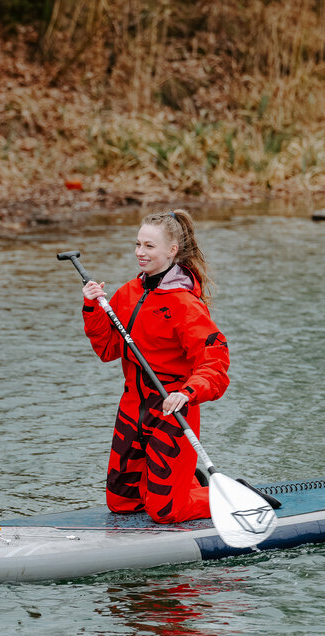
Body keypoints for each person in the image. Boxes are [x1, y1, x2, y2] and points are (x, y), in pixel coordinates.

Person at [81, 209, 230, 524]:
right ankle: (186, 482)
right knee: (122, 503)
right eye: (138, 244)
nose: (140, 253)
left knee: (165, 512)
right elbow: (108, 350)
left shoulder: (185, 304)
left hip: (172, 411)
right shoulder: (127, 294)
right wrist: (92, 307)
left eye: (149, 246)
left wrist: (188, 393)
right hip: (132, 408)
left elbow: (215, 364)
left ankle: (220, 493)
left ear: (171, 251)